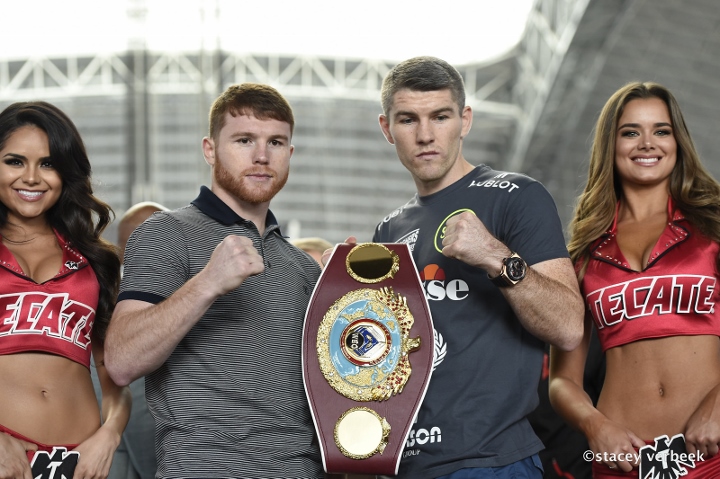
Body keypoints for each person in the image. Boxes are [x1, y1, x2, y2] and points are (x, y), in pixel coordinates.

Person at [372, 56, 585, 478]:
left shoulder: (516, 196)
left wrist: (495, 256)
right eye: (408, 120)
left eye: (441, 116)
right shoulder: (388, 230)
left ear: (465, 120)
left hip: (491, 461)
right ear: (387, 129)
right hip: (404, 463)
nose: (426, 134)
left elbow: (568, 326)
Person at [103, 83, 324, 477]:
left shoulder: (302, 268)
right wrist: (207, 282)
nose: (261, 155)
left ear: (289, 154)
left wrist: (354, 293)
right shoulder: (164, 233)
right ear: (210, 149)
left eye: (275, 142)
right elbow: (121, 361)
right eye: (244, 140)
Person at [549, 82, 720, 478]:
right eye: (631, 132)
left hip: (711, 450)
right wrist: (596, 426)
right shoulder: (584, 254)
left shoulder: (712, 226)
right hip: (623, 461)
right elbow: (562, 381)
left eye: (661, 130)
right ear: (611, 144)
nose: (647, 143)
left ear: (678, 142)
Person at [0, 101, 129, 478]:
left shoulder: (95, 261)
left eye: (48, 163)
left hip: (79, 463)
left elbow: (114, 376)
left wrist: (109, 436)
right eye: (15, 161)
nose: (32, 177)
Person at [92, 202, 166, 479]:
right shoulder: (99, 293)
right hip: (111, 447)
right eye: (130, 241)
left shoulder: (196, 297)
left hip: (171, 450)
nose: (140, 250)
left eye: (153, 240)